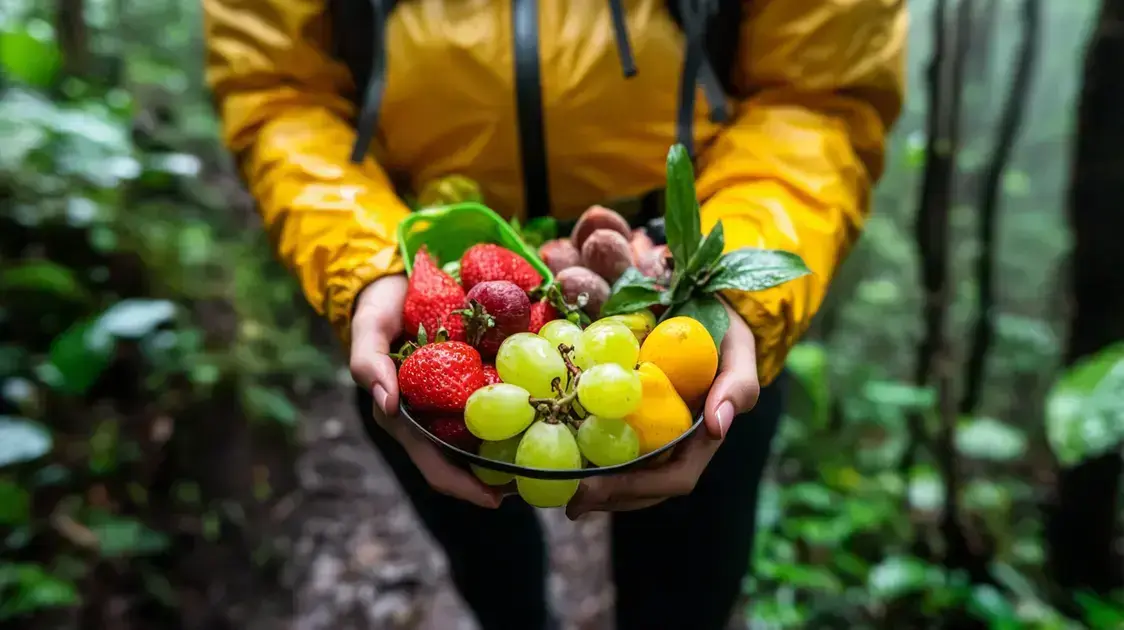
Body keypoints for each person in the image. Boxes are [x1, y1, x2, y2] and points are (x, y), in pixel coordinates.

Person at [202, 1, 905, 628]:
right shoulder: (422, 308)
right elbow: (276, 90)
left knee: (687, 585)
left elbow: (820, 95)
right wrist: (369, 266)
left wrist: (730, 286)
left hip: (679, 281)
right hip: (425, 273)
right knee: (488, 563)